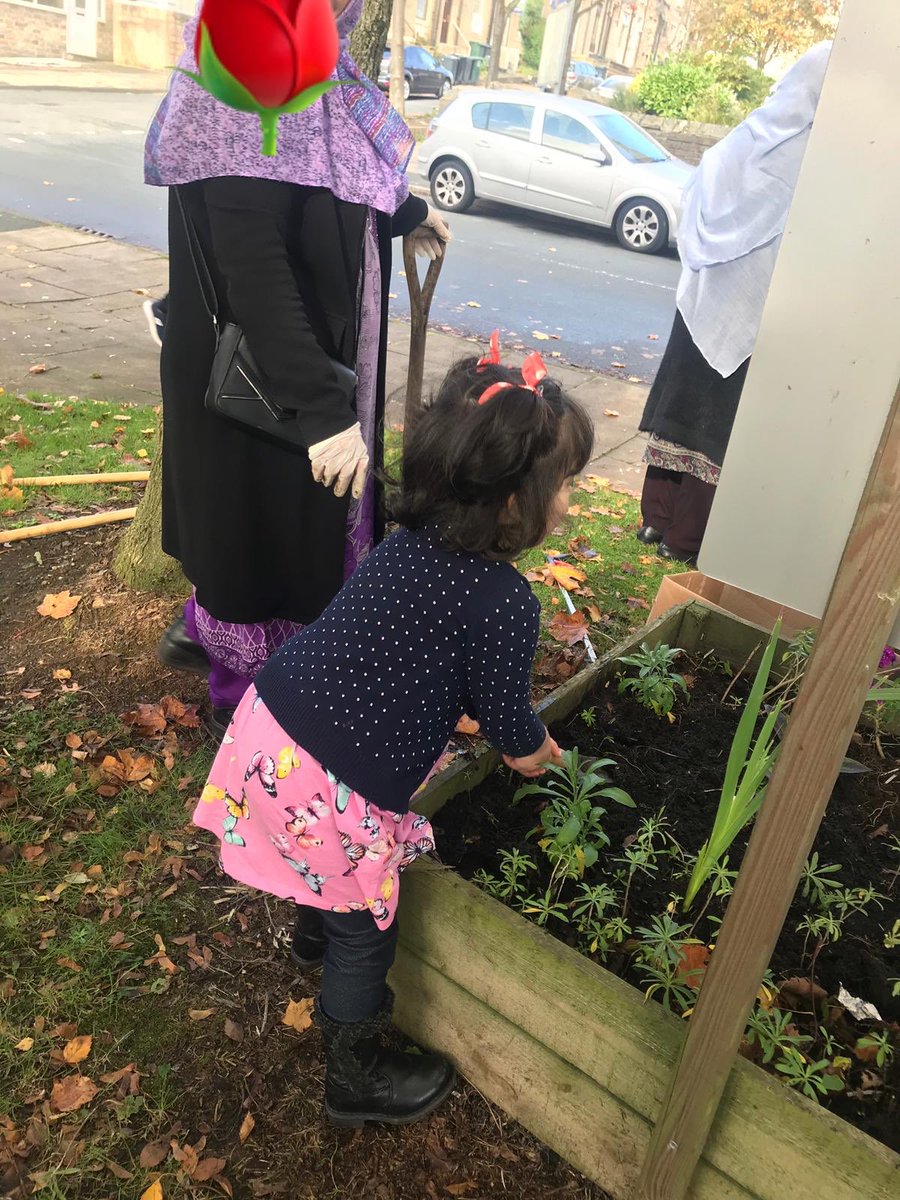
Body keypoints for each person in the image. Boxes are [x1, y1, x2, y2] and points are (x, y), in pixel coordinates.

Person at [193, 341, 593, 1127]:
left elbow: (402, 655)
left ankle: (312, 933)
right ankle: (355, 1075)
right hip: (335, 787)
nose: (572, 502)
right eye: (568, 484)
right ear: (515, 501)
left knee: (324, 875)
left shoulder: (404, 545)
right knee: (368, 932)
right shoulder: (506, 603)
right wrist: (541, 753)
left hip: (267, 731)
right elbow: (513, 732)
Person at [143, 0, 450, 734]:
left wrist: (403, 212)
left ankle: (242, 659)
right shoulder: (244, 71)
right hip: (267, 375)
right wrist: (321, 412)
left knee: (292, 532)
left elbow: (326, 170)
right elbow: (253, 263)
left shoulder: (309, 63)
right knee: (261, 538)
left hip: (311, 358)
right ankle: (248, 723)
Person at [637, 43, 832, 566]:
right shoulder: (813, 159)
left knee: (681, 410)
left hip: (703, 300)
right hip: (751, 317)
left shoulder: (749, 134)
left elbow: (696, 191)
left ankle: (656, 519)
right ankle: (685, 539)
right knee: (715, 424)